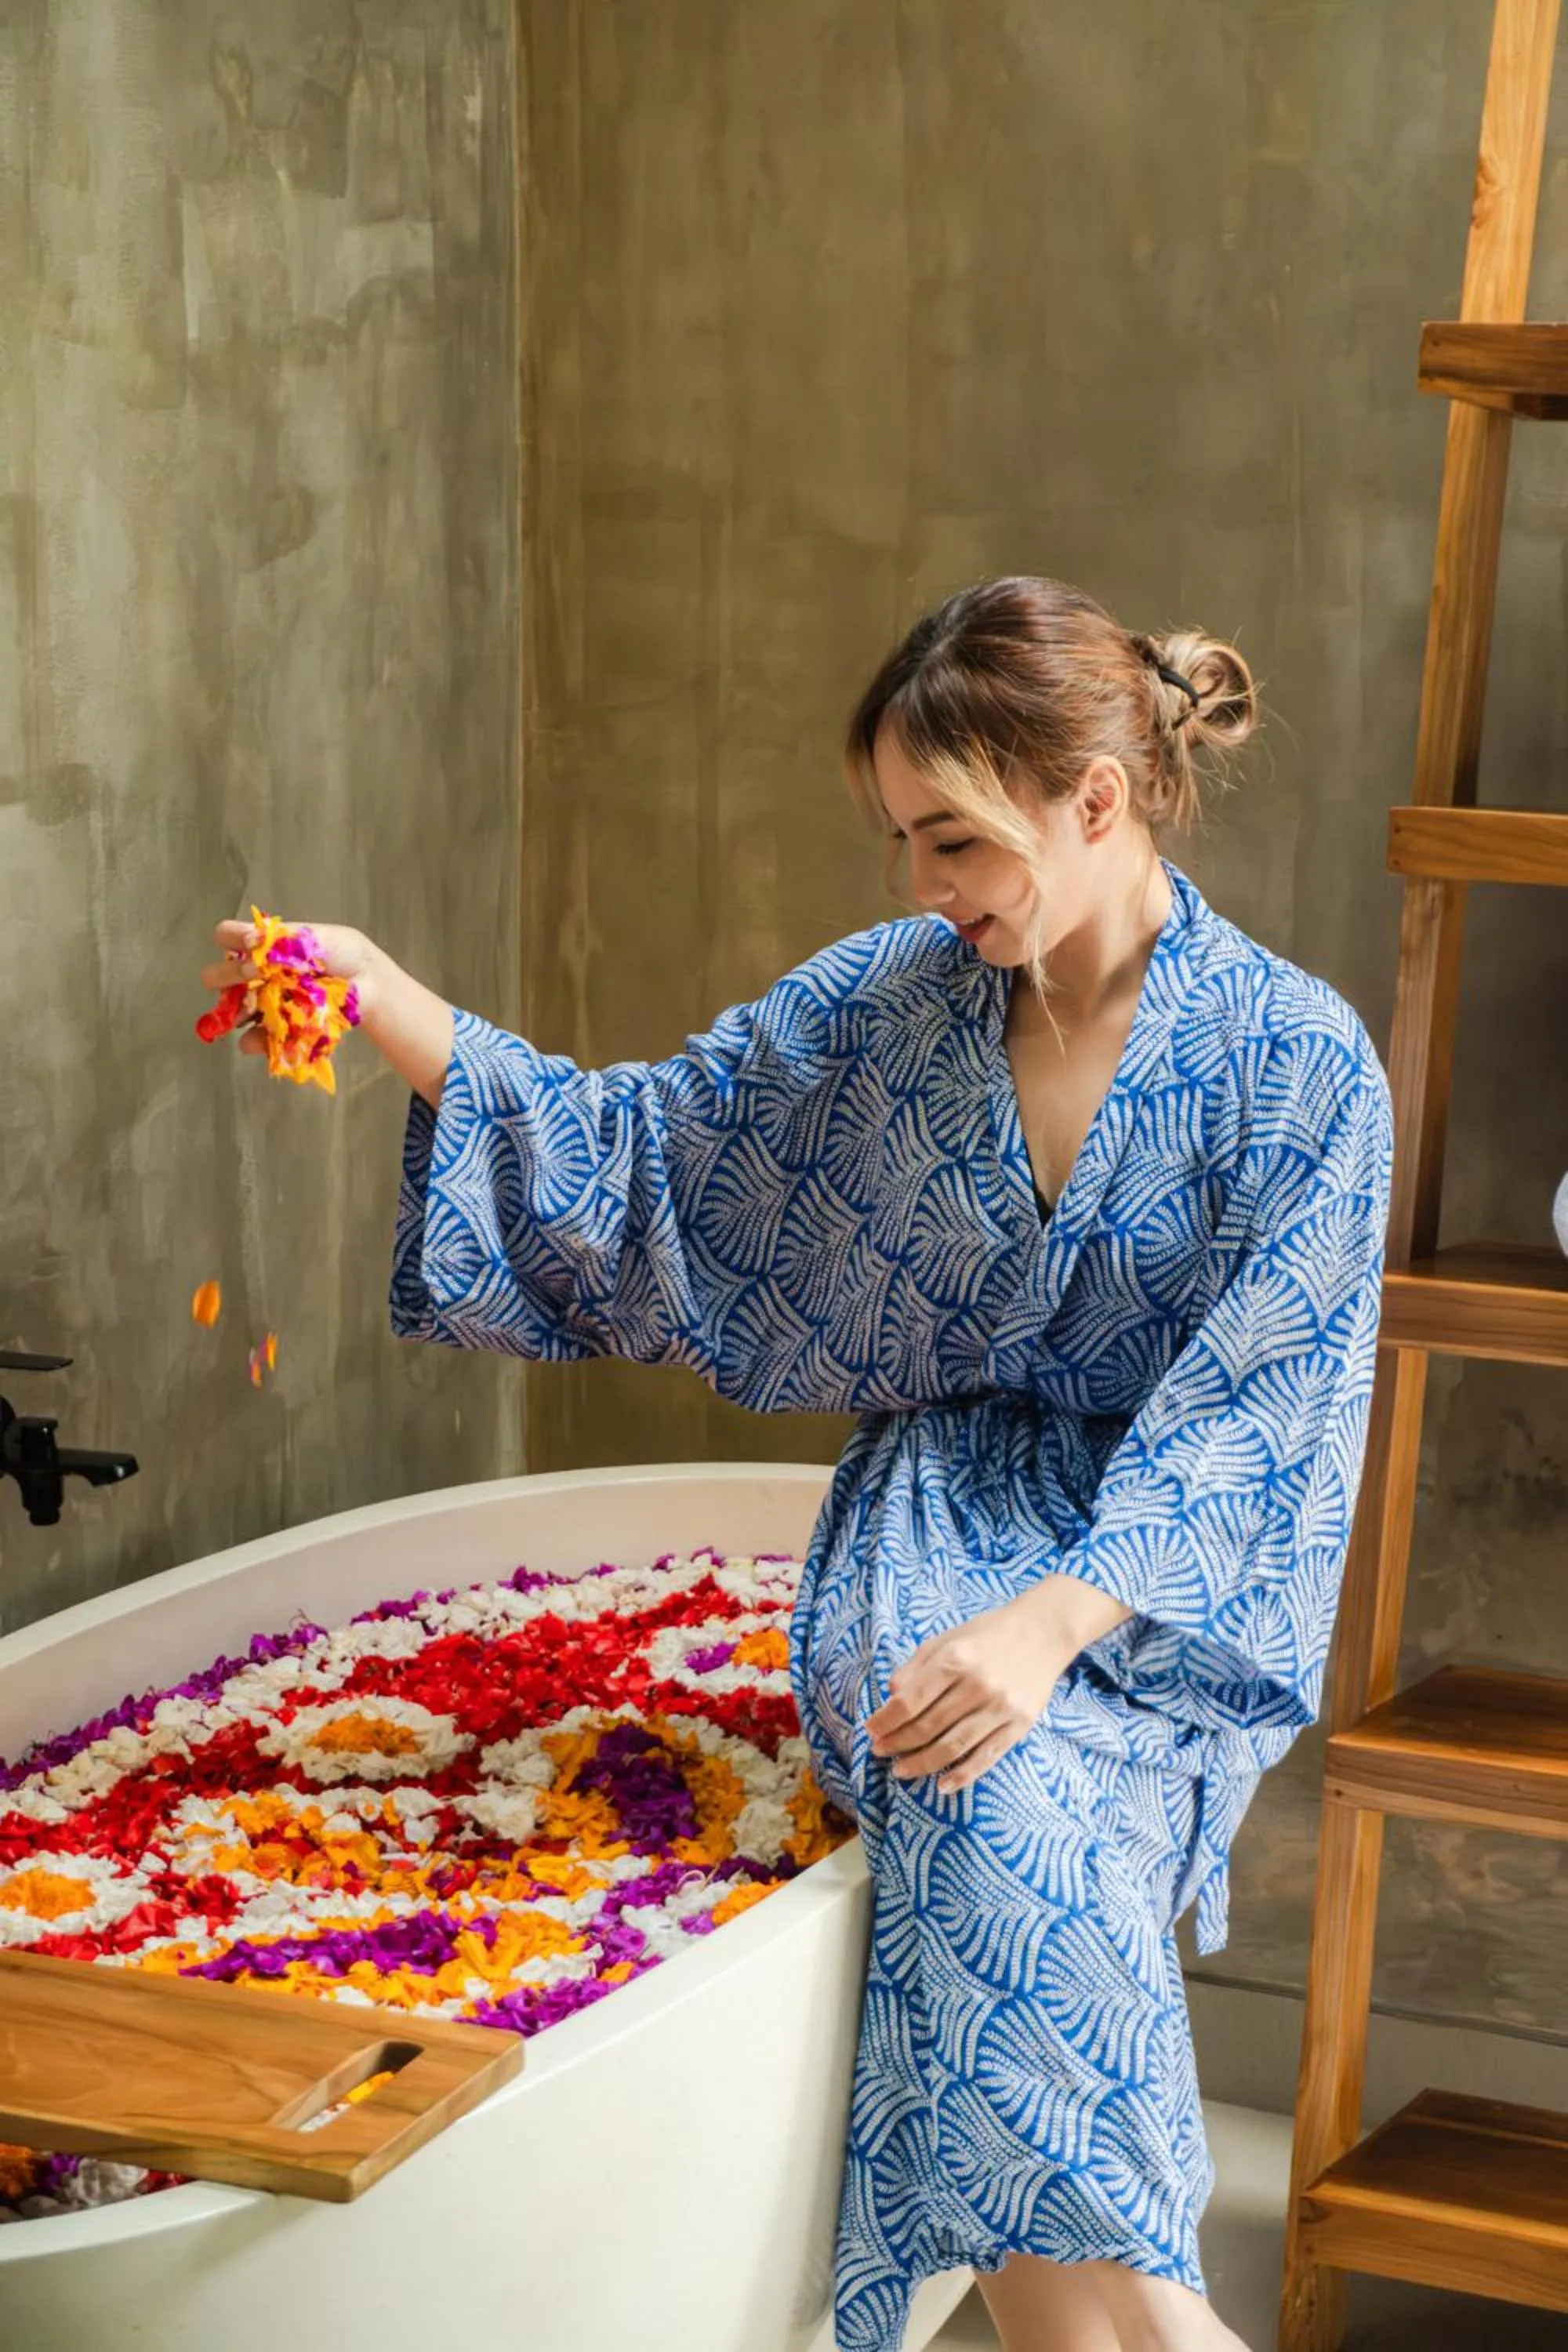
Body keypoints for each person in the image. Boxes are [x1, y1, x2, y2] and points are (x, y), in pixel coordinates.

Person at [201, 575, 1394, 2352]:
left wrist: (1052, 1628)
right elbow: (642, 1163)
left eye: (955, 842)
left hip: (1153, 1589)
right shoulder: (888, 1013)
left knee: (1022, 1795)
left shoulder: (1300, 1064)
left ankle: (1122, 2330)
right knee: (973, 1774)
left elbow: (1261, 1415)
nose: (921, 888)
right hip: (938, 1522)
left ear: (1096, 799)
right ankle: (1154, 2325)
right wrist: (386, 1000)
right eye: (899, 840)